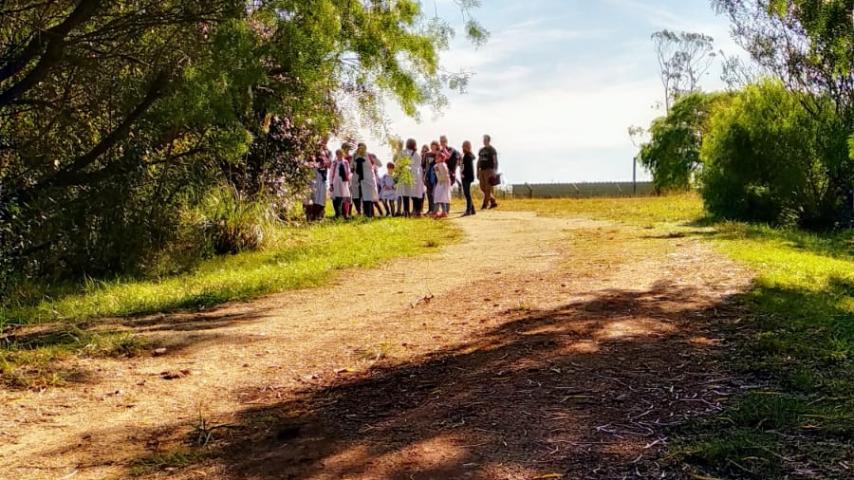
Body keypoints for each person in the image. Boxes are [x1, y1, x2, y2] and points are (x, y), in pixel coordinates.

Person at [398, 139, 424, 217]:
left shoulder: (402, 153)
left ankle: (406, 211)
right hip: (414, 175)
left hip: (405, 175)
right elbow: (419, 166)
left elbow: (399, 164)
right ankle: (416, 211)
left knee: (405, 194)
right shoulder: (416, 154)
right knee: (414, 194)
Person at [304, 147, 330, 221]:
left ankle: (317, 216)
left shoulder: (322, 162)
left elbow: (324, 169)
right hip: (311, 183)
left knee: (319, 201)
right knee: (310, 200)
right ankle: (309, 217)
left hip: (320, 182)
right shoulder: (309, 161)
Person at [354, 143, 379, 218]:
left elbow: (379, 164)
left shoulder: (370, 155)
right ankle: (367, 215)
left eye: (362, 148)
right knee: (365, 198)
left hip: (370, 179)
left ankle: (370, 215)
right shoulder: (356, 157)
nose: (361, 149)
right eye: (359, 148)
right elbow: (354, 168)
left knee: (369, 198)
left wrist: (374, 158)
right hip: (361, 180)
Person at [477, 134, 499, 209]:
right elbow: (479, 161)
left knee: (488, 188)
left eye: (485, 139)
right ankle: (493, 201)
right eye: (483, 140)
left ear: (489, 140)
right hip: (482, 170)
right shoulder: (481, 150)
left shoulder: (492, 150)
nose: (484, 141)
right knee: (482, 187)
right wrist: (477, 170)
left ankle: (484, 205)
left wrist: (495, 171)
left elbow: (495, 161)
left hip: (489, 170)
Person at [329, 149, 351, 219]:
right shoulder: (334, 162)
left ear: (343, 154)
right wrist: (331, 183)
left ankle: (345, 214)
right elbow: (331, 173)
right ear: (336, 155)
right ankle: (337, 213)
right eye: (338, 154)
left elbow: (349, 172)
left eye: (340, 154)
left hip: (344, 182)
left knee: (345, 197)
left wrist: (348, 180)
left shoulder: (346, 162)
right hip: (336, 181)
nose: (339, 155)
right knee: (336, 197)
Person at [431, 152, 452, 218]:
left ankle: (436, 212)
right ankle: (443, 212)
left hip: (443, 183)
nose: (436, 158)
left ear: (442, 158)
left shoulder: (442, 165)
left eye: (438, 156)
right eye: (436, 156)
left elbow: (445, 175)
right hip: (441, 183)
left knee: (440, 197)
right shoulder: (437, 165)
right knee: (440, 197)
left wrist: (444, 182)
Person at [460, 140, 476, 216]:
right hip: (465, 176)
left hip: (466, 177)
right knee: (467, 193)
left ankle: (468, 210)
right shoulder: (465, 156)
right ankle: (472, 209)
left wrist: (463, 173)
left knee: (467, 194)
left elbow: (466, 168)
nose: (462, 148)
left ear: (467, 147)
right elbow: (462, 166)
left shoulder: (468, 156)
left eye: (464, 146)